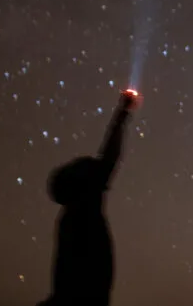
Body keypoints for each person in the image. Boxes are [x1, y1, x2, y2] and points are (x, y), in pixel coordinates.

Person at [38, 89, 140, 306]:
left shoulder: (71, 220)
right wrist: (121, 115)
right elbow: (108, 158)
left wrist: (121, 115)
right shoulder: (82, 221)